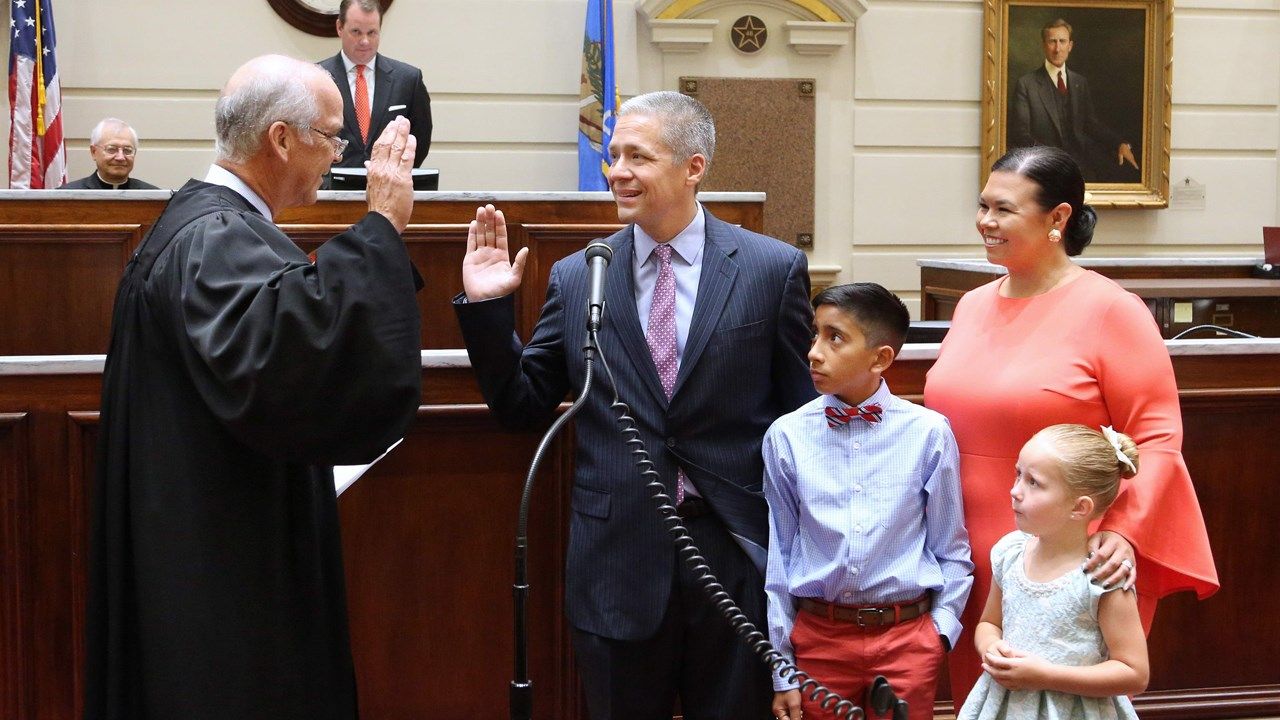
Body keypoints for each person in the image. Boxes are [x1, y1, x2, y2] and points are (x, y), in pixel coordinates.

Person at [454, 90, 815, 720]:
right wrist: (488, 311)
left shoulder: (770, 270)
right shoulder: (579, 275)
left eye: (637, 156)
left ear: (693, 167)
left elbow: (802, 421)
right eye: (613, 154)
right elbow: (522, 407)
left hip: (733, 557)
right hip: (616, 562)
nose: (616, 170)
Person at [83, 55, 424, 720]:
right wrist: (381, 225)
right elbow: (291, 357)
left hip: (201, 538)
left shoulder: (200, 226)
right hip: (224, 569)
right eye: (330, 137)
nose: (336, 157)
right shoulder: (215, 238)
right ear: (280, 138)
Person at [924, 145, 1218, 709]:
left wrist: (1125, 531)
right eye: (982, 205)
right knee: (980, 699)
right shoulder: (973, 304)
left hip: (1065, 553)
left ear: (1057, 218)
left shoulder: (1113, 310)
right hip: (962, 547)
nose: (985, 221)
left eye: (1003, 210)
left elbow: (1156, 438)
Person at [765, 283, 973, 720]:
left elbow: (950, 547)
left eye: (834, 337)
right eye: (814, 334)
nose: (814, 352)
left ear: (880, 358)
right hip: (819, 641)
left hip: (907, 640)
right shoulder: (786, 436)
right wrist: (783, 668)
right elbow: (780, 558)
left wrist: (939, 633)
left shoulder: (928, 433)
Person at [958, 424, 1149, 719]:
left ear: (1079, 507)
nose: (1015, 490)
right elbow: (989, 623)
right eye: (1018, 474)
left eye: (1033, 483)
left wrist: (1046, 675)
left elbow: (1133, 672)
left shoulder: (1102, 577)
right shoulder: (1010, 553)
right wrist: (991, 648)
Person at [1008, 19, 1138, 183]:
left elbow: (1090, 124)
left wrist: (1119, 143)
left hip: (1080, 164)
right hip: (1044, 169)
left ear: (1070, 46)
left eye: (1062, 42)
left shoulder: (1079, 82)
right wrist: (1051, 160)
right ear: (1043, 45)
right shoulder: (1027, 84)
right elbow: (1020, 134)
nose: (1057, 49)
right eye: (1052, 42)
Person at [318, 0, 432, 169]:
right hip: (332, 188)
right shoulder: (317, 77)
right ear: (339, 28)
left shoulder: (408, 79)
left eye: (372, 33)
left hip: (390, 186)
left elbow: (420, 140)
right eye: (356, 32)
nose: (364, 41)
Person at [59, 118, 160, 189]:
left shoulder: (154, 199)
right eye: (112, 149)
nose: (120, 157)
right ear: (94, 152)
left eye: (127, 150)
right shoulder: (68, 196)